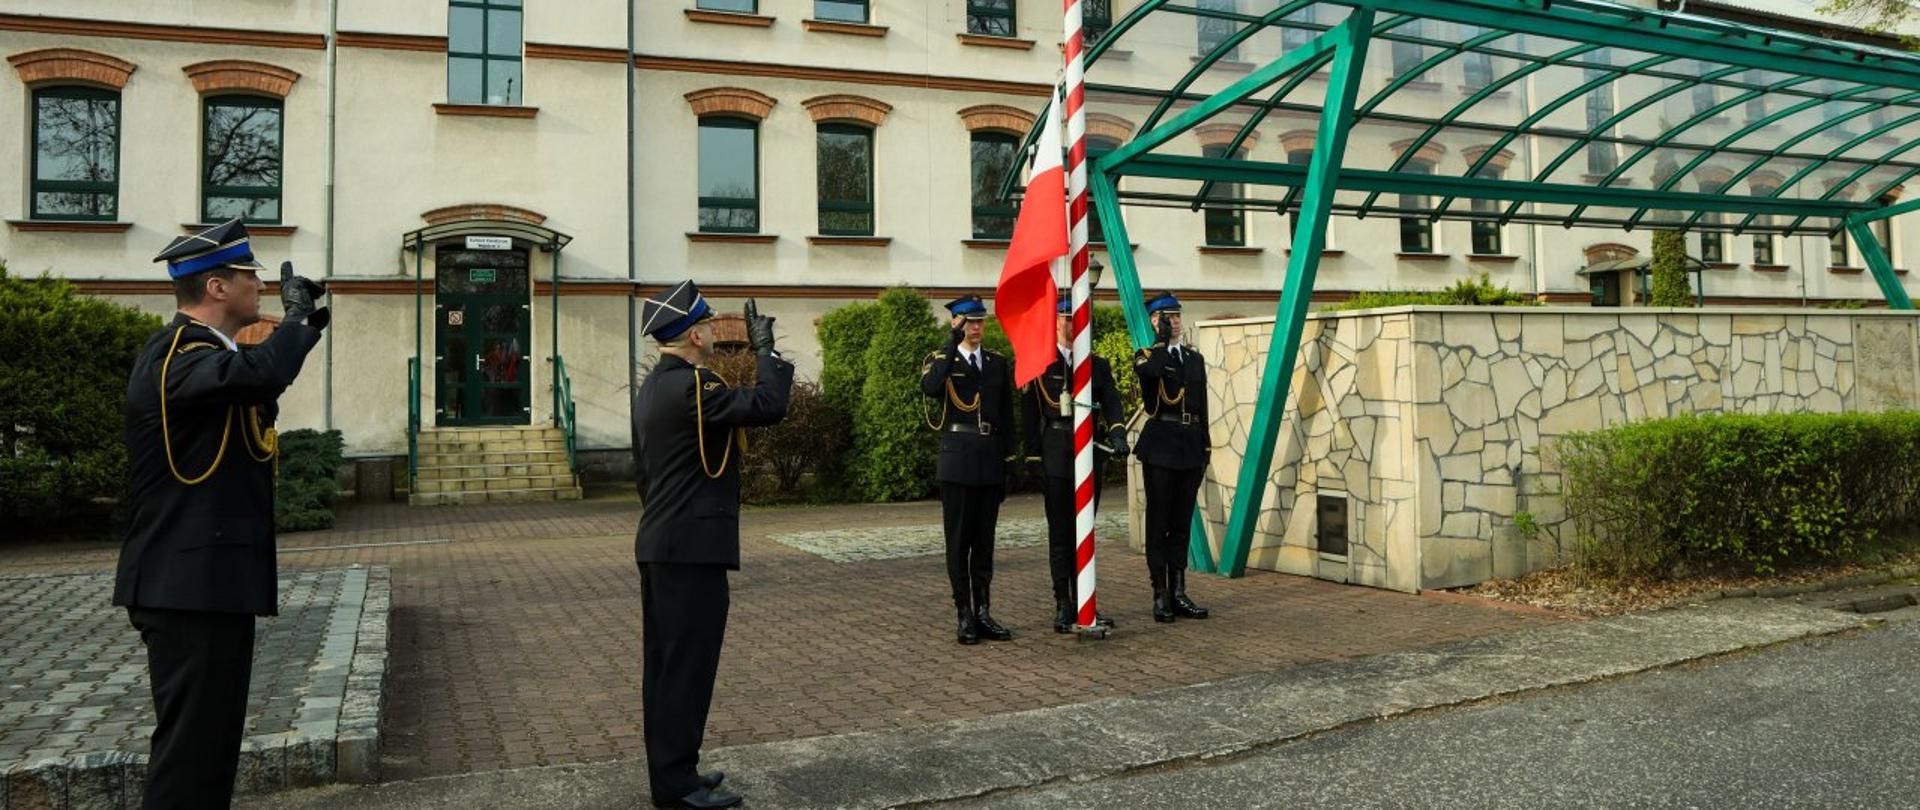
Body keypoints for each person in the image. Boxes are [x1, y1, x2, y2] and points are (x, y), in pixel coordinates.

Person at [114, 219, 330, 809]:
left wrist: (300, 330)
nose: (257, 285)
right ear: (215, 287)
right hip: (185, 588)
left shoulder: (208, 356)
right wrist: (296, 323)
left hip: (207, 586)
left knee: (210, 751)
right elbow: (256, 375)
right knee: (190, 755)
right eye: (247, 275)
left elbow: (255, 382)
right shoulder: (178, 356)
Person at [631, 280, 792, 810]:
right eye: (708, 328)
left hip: (665, 541)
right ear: (695, 335)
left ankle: (675, 771)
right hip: (688, 549)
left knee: (668, 666)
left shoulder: (655, 387)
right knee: (686, 668)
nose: (712, 336)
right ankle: (677, 787)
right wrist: (765, 350)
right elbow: (768, 405)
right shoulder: (693, 388)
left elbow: (643, 473)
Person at [1022, 295, 1128, 633]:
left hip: (1089, 455)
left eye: (1077, 318)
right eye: (1067, 318)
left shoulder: (1095, 364)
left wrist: (1118, 434)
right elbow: (1029, 417)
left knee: (1086, 533)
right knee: (1062, 534)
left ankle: (1087, 601)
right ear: (1055, 321)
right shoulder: (1040, 363)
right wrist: (1033, 456)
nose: (1072, 324)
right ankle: (1063, 602)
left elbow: (1111, 401)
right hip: (1056, 453)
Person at [920, 294, 1016, 645]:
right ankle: (963, 613)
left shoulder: (995, 362)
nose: (976, 327)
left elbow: (1006, 415)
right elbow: (930, 389)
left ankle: (984, 611)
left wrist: (1008, 462)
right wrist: (950, 343)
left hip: (989, 459)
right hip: (957, 460)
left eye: (979, 321)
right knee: (959, 542)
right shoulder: (940, 360)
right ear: (956, 322)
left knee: (984, 542)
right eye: (968, 321)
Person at [1132, 292, 1212, 624]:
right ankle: (1160, 593)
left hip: (1191, 443)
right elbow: (1150, 378)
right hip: (1161, 444)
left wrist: (1206, 445)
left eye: (1177, 316)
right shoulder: (1147, 355)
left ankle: (1179, 590)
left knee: (1181, 521)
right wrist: (1162, 341)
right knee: (1159, 520)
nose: (1175, 321)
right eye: (1167, 317)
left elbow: (1202, 405)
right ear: (1154, 321)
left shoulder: (1194, 359)